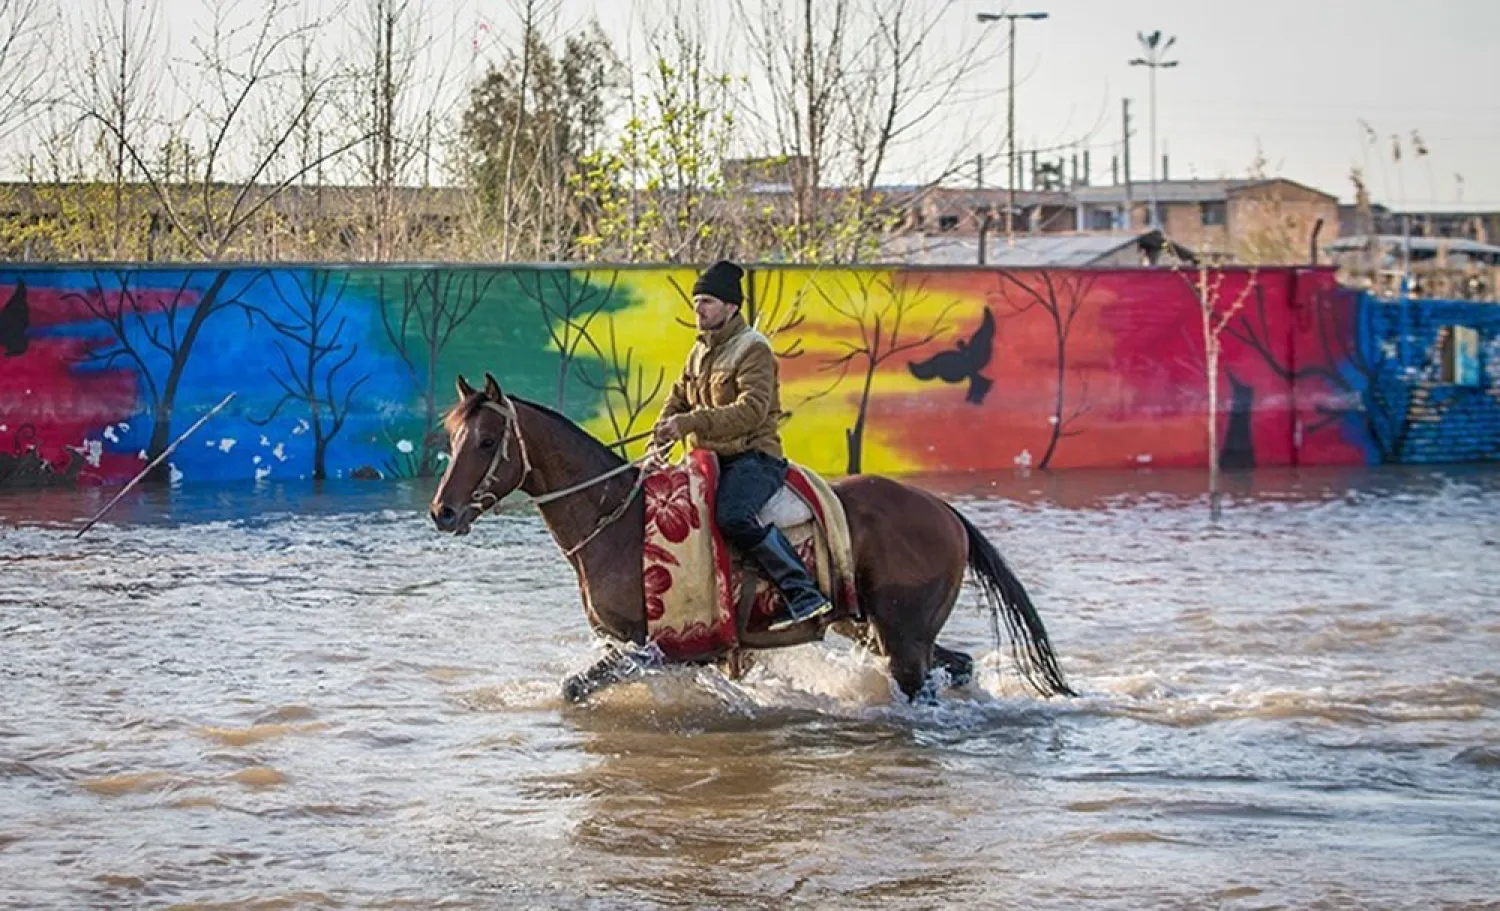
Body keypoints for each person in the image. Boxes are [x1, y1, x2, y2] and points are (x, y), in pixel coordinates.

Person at [651, 260, 833, 631]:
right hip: (709, 460)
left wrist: (688, 423)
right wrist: (662, 430)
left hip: (753, 459)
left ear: (731, 307)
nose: (698, 309)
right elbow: (678, 399)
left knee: (733, 516)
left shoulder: (754, 349)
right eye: (696, 301)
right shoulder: (698, 351)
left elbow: (751, 411)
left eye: (707, 301)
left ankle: (802, 592)